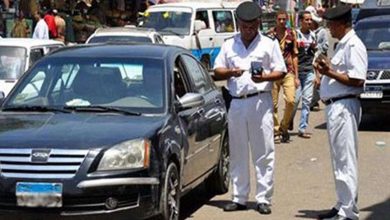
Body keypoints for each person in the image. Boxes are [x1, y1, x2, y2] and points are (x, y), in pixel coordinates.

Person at [213, 1, 286, 215]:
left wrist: (264, 76)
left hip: (260, 101)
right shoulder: (229, 44)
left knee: (263, 151)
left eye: (252, 27)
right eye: (245, 27)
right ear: (239, 25)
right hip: (236, 102)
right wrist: (230, 72)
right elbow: (217, 70)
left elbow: (280, 71)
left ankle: (263, 198)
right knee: (238, 151)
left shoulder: (268, 44)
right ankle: (239, 197)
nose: (248, 31)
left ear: (258, 24)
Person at [314, 5, 367, 220]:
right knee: (339, 159)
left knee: (346, 160)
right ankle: (342, 202)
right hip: (336, 106)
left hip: (344, 107)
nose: (329, 29)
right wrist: (326, 73)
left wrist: (330, 73)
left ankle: (348, 211)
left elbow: (357, 79)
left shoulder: (354, 45)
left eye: (331, 25)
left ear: (342, 24)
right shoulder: (342, 44)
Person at [267, 10, 299, 143]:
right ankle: (275, 130)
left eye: (284, 19)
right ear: (275, 20)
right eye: (279, 19)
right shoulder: (269, 36)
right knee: (273, 104)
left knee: (291, 101)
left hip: (288, 71)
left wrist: (296, 76)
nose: (281, 21)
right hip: (273, 73)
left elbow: (295, 55)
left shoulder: (291, 34)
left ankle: (283, 126)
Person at [290, 10, 316, 139]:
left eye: (310, 20)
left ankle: (302, 128)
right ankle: (289, 120)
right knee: (294, 101)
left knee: (307, 101)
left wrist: (317, 74)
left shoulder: (313, 36)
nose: (309, 22)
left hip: (309, 72)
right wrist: (295, 76)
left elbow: (315, 56)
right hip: (297, 72)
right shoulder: (296, 34)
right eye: (306, 19)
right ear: (301, 21)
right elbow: (293, 55)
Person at [306, 5, 329, 111]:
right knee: (312, 81)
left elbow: (326, 45)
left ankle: (323, 98)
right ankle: (313, 101)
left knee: (319, 81)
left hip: (319, 60)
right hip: (309, 60)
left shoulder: (322, 32)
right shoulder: (306, 33)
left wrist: (316, 48)